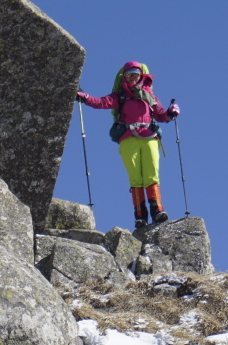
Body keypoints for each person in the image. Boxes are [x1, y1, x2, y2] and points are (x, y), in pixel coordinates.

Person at [77, 61, 180, 228]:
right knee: (136, 177)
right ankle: (141, 216)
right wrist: (85, 97)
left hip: (147, 137)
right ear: (123, 77)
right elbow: (101, 102)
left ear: (142, 76)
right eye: (129, 75)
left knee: (151, 174)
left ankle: (156, 211)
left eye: (136, 74)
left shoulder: (150, 97)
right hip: (130, 137)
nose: (133, 78)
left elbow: (161, 115)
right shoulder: (120, 96)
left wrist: (170, 113)